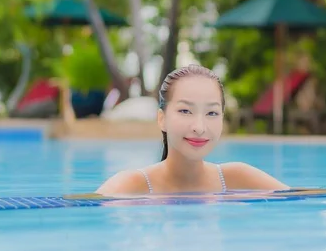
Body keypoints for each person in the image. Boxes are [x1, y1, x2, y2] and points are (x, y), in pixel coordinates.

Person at [96, 64, 290, 195]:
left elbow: (304, 201)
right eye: (185, 111)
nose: (199, 127)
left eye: (212, 113)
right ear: (161, 119)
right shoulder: (131, 185)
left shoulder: (237, 178)